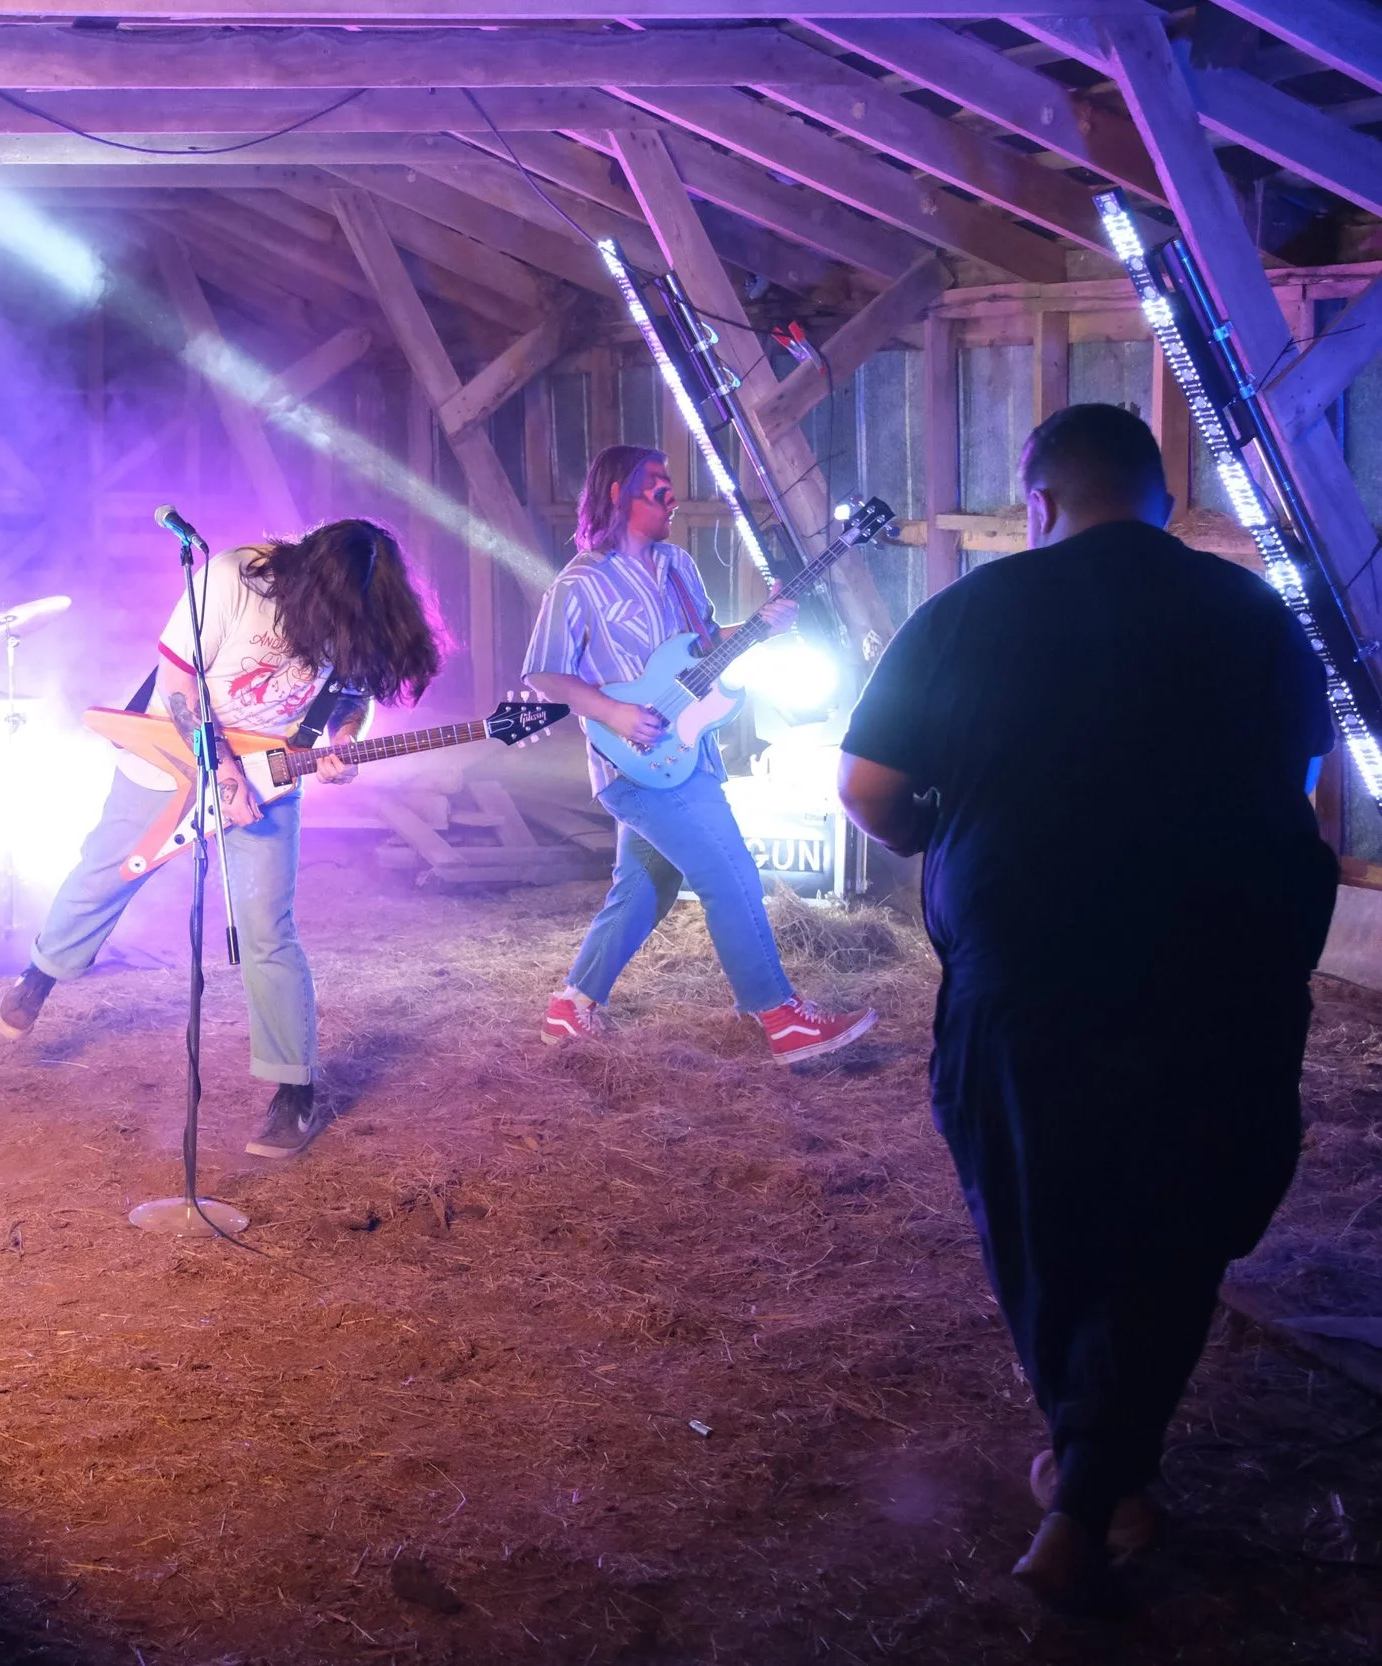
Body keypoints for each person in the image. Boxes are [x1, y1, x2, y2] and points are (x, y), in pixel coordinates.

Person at [838, 404, 1337, 1611]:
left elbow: (869, 790)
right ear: (1162, 504)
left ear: (1039, 504)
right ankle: (1107, 1474)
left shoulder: (966, 612)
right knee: (1175, 1218)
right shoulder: (1257, 616)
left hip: (1033, 973)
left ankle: (1081, 1490)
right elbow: (1306, 788)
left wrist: (940, 837)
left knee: (1046, 1210)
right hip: (1223, 971)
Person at [0, 518, 441, 1159]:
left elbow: (351, 701)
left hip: (268, 775)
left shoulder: (358, 615)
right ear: (307, 581)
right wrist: (221, 769)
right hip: (171, 754)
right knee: (103, 873)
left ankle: (293, 1090)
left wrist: (344, 743)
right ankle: (42, 973)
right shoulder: (230, 578)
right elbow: (176, 687)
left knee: (269, 928)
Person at [525, 444, 875, 1060]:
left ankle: (571, 1008)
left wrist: (762, 626)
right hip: (631, 763)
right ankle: (781, 1016)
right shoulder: (578, 583)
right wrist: (616, 712)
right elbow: (545, 675)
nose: (672, 495)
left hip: (689, 753)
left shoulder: (679, 566)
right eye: (657, 484)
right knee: (730, 870)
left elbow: (706, 645)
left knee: (644, 885)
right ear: (617, 493)